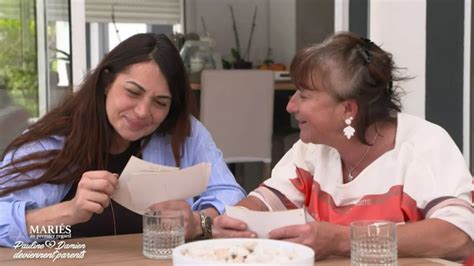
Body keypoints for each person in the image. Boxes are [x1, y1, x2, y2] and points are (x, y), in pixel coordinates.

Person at [213, 32, 474, 260]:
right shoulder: (312, 149)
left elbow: (458, 236)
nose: (290, 106)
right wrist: (239, 220)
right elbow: (267, 200)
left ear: (348, 109)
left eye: (303, 95)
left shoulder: (423, 145)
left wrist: (341, 240)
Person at [0, 33, 246, 247]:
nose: (142, 112)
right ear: (107, 83)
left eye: (160, 102)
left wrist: (198, 222)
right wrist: (70, 211)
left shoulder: (185, 134)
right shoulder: (52, 140)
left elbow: (232, 197)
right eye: (133, 92)